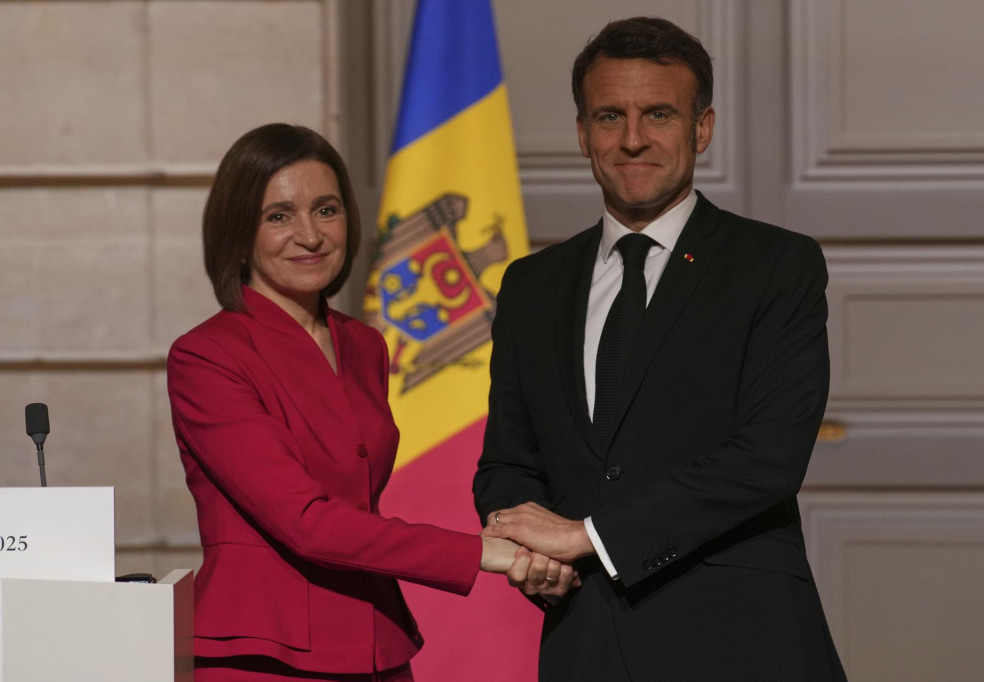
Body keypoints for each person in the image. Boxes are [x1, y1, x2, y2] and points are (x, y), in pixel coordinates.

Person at [475, 17, 847, 681]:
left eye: (659, 114)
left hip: (743, 639)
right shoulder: (531, 286)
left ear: (701, 129)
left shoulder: (776, 265)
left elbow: (767, 459)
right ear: (583, 132)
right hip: (585, 642)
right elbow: (509, 459)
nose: (634, 138)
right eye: (610, 115)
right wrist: (529, 550)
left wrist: (587, 537)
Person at [166, 123, 528, 682]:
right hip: (267, 654)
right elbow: (305, 521)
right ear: (239, 233)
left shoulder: (364, 344)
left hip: (377, 643)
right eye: (279, 215)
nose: (310, 236)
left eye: (327, 210)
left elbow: (357, 497)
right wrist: (480, 552)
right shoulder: (206, 356)